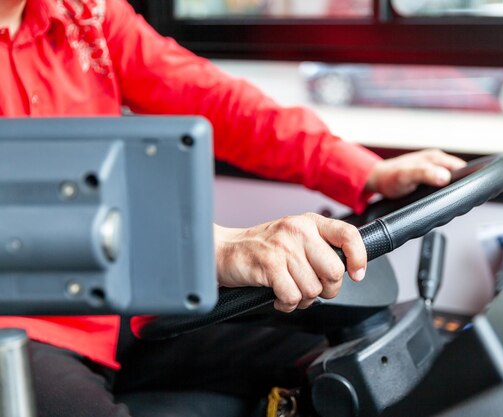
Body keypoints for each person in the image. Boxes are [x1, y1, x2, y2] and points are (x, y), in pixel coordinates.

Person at [0, 0, 466, 416]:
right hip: (17, 326)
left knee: (344, 351)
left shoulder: (88, 14)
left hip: (124, 303)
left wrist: (365, 172)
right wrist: (207, 248)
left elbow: (213, 100)